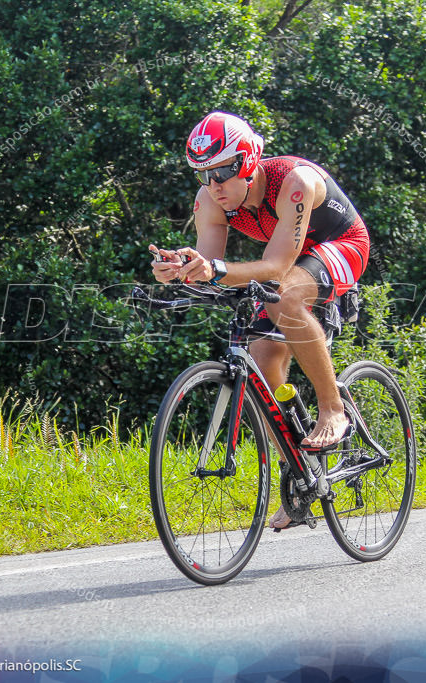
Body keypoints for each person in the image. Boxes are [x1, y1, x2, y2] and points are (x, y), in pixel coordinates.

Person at [149, 111, 372, 529]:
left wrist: (213, 269)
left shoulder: (295, 184)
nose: (214, 187)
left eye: (223, 172)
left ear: (248, 162)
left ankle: (332, 408)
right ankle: (302, 474)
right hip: (292, 259)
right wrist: (182, 268)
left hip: (341, 244)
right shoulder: (210, 202)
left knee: (287, 299)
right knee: (262, 354)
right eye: (203, 175)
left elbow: (275, 265)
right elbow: (212, 267)